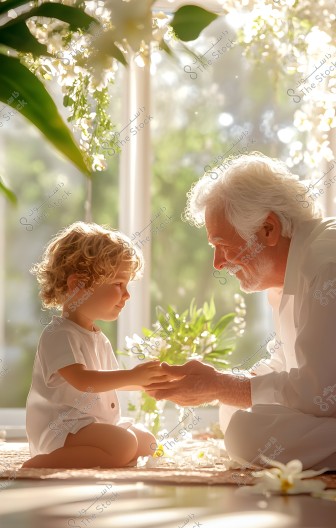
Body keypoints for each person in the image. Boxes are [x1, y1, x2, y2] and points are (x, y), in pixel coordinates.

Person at [145, 152, 336, 470]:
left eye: (223, 245)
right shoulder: (289, 273)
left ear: (268, 230)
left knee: (247, 433)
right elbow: (287, 362)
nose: (218, 263)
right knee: (235, 412)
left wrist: (220, 385)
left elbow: (320, 391)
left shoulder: (324, 266)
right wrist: (221, 382)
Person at [22, 222, 180, 469]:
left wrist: (144, 382)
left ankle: (110, 455)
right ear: (78, 285)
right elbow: (84, 381)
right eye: (118, 284)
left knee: (148, 443)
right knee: (124, 446)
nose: (127, 295)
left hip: (91, 424)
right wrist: (132, 375)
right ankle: (45, 462)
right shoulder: (59, 334)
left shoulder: (97, 336)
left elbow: (105, 383)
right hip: (64, 429)